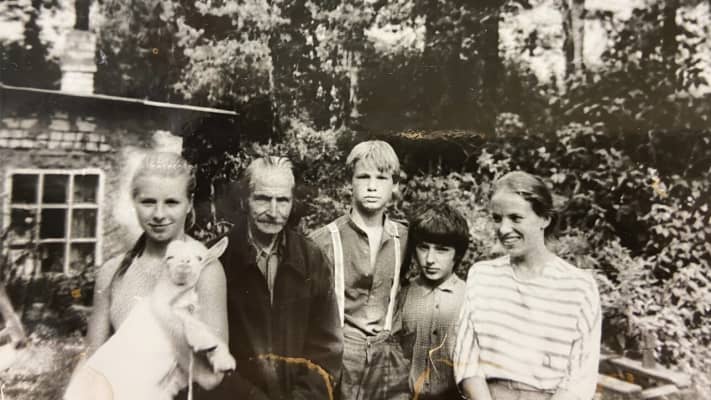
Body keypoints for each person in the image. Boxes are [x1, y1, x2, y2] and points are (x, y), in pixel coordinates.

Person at [80, 151, 228, 397]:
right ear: (134, 202)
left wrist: (163, 315)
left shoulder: (205, 270)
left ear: (189, 203)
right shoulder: (112, 273)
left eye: (171, 202)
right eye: (148, 202)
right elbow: (90, 366)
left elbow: (212, 376)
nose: (159, 214)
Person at [453, 171, 601, 400]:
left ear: (545, 219)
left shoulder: (579, 287)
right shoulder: (482, 276)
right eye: (497, 218)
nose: (503, 229)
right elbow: (466, 361)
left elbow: (580, 379)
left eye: (516, 218)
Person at [203, 156, 342, 400]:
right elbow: (206, 352)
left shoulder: (312, 259)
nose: (274, 212)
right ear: (245, 200)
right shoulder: (216, 259)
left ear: (292, 202)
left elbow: (327, 349)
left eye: (283, 200)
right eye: (263, 199)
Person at [310, 140, 410, 400]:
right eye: (363, 177)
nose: (372, 186)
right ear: (349, 183)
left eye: (382, 178)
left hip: (389, 357)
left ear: (394, 185)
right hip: (341, 356)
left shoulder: (406, 238)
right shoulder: (323, 240)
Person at [400, 203, 469, 400]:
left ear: (457, 254)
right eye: (423, 247)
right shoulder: (402, 295)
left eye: (442, 250)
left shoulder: (470, 297)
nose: (430, 259)